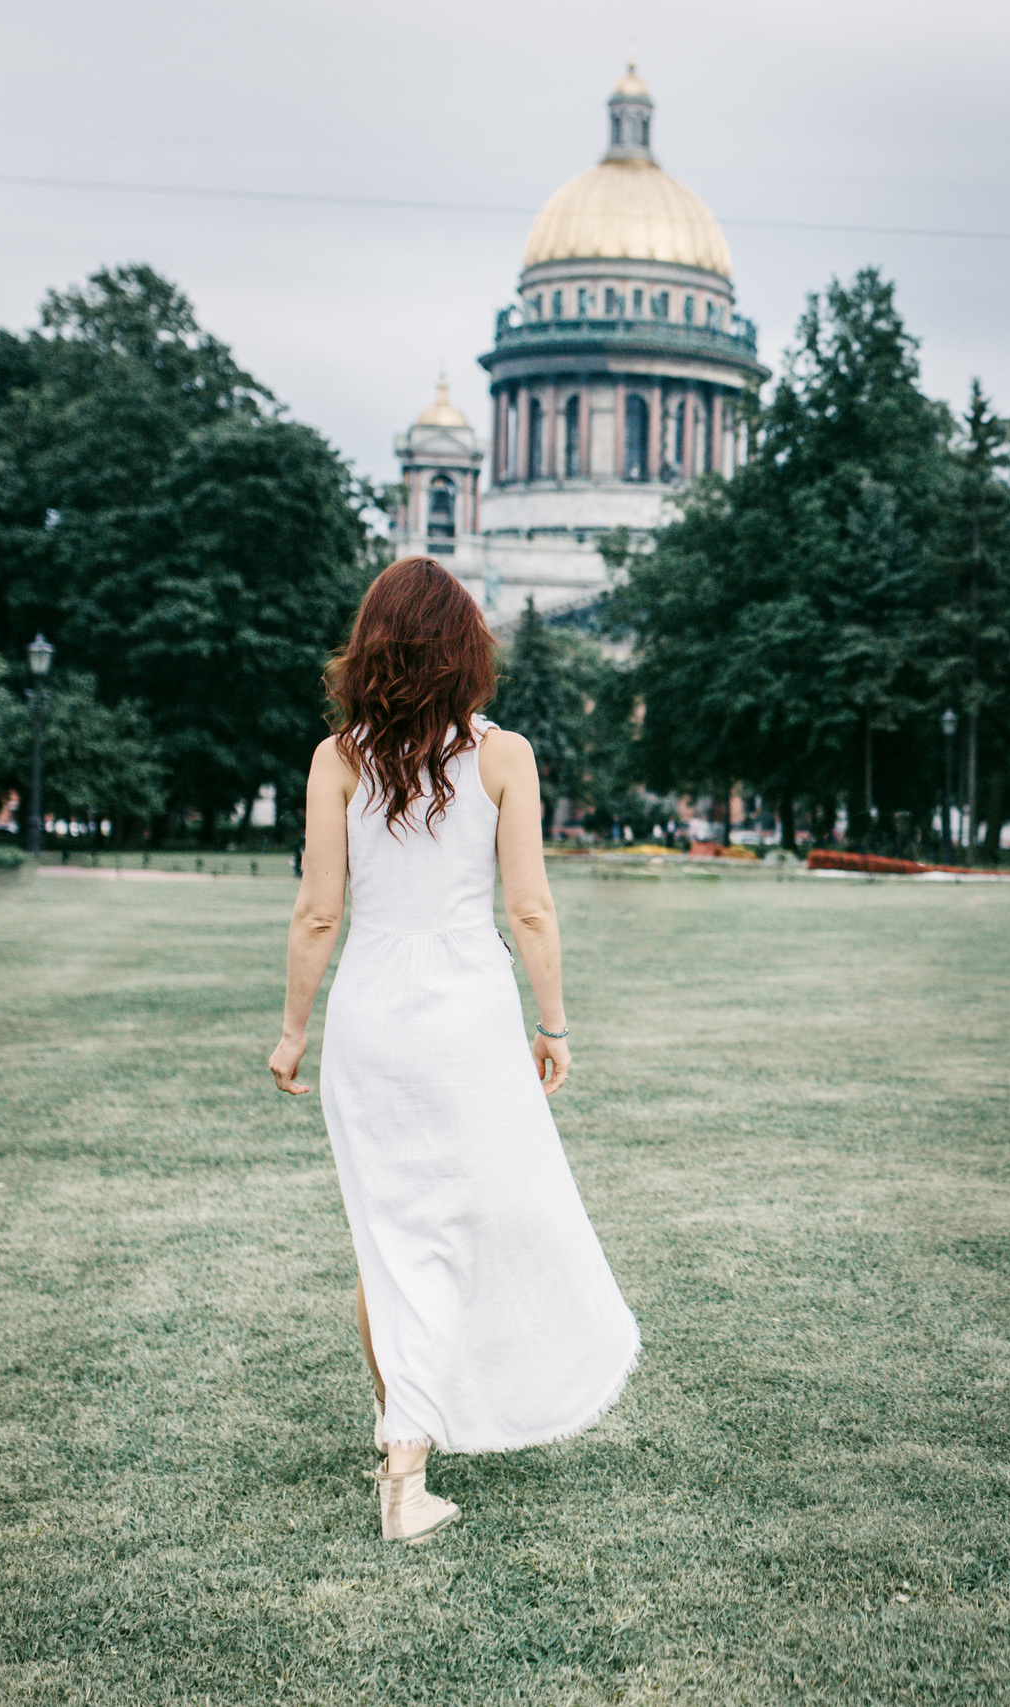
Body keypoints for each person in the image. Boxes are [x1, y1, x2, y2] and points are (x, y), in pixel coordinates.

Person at [267, 557, 638, 1542]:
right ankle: (407, 1461)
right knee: (469, 1227)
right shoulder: (503, 756)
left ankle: (404, 1429)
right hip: (469, 1018)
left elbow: (317, 914)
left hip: (370, 1020)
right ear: (467, 649)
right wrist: (553, 1025)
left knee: (389, 1236)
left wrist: (295, 1030)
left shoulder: (336, 759)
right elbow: (530, 908)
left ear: (371, 648)